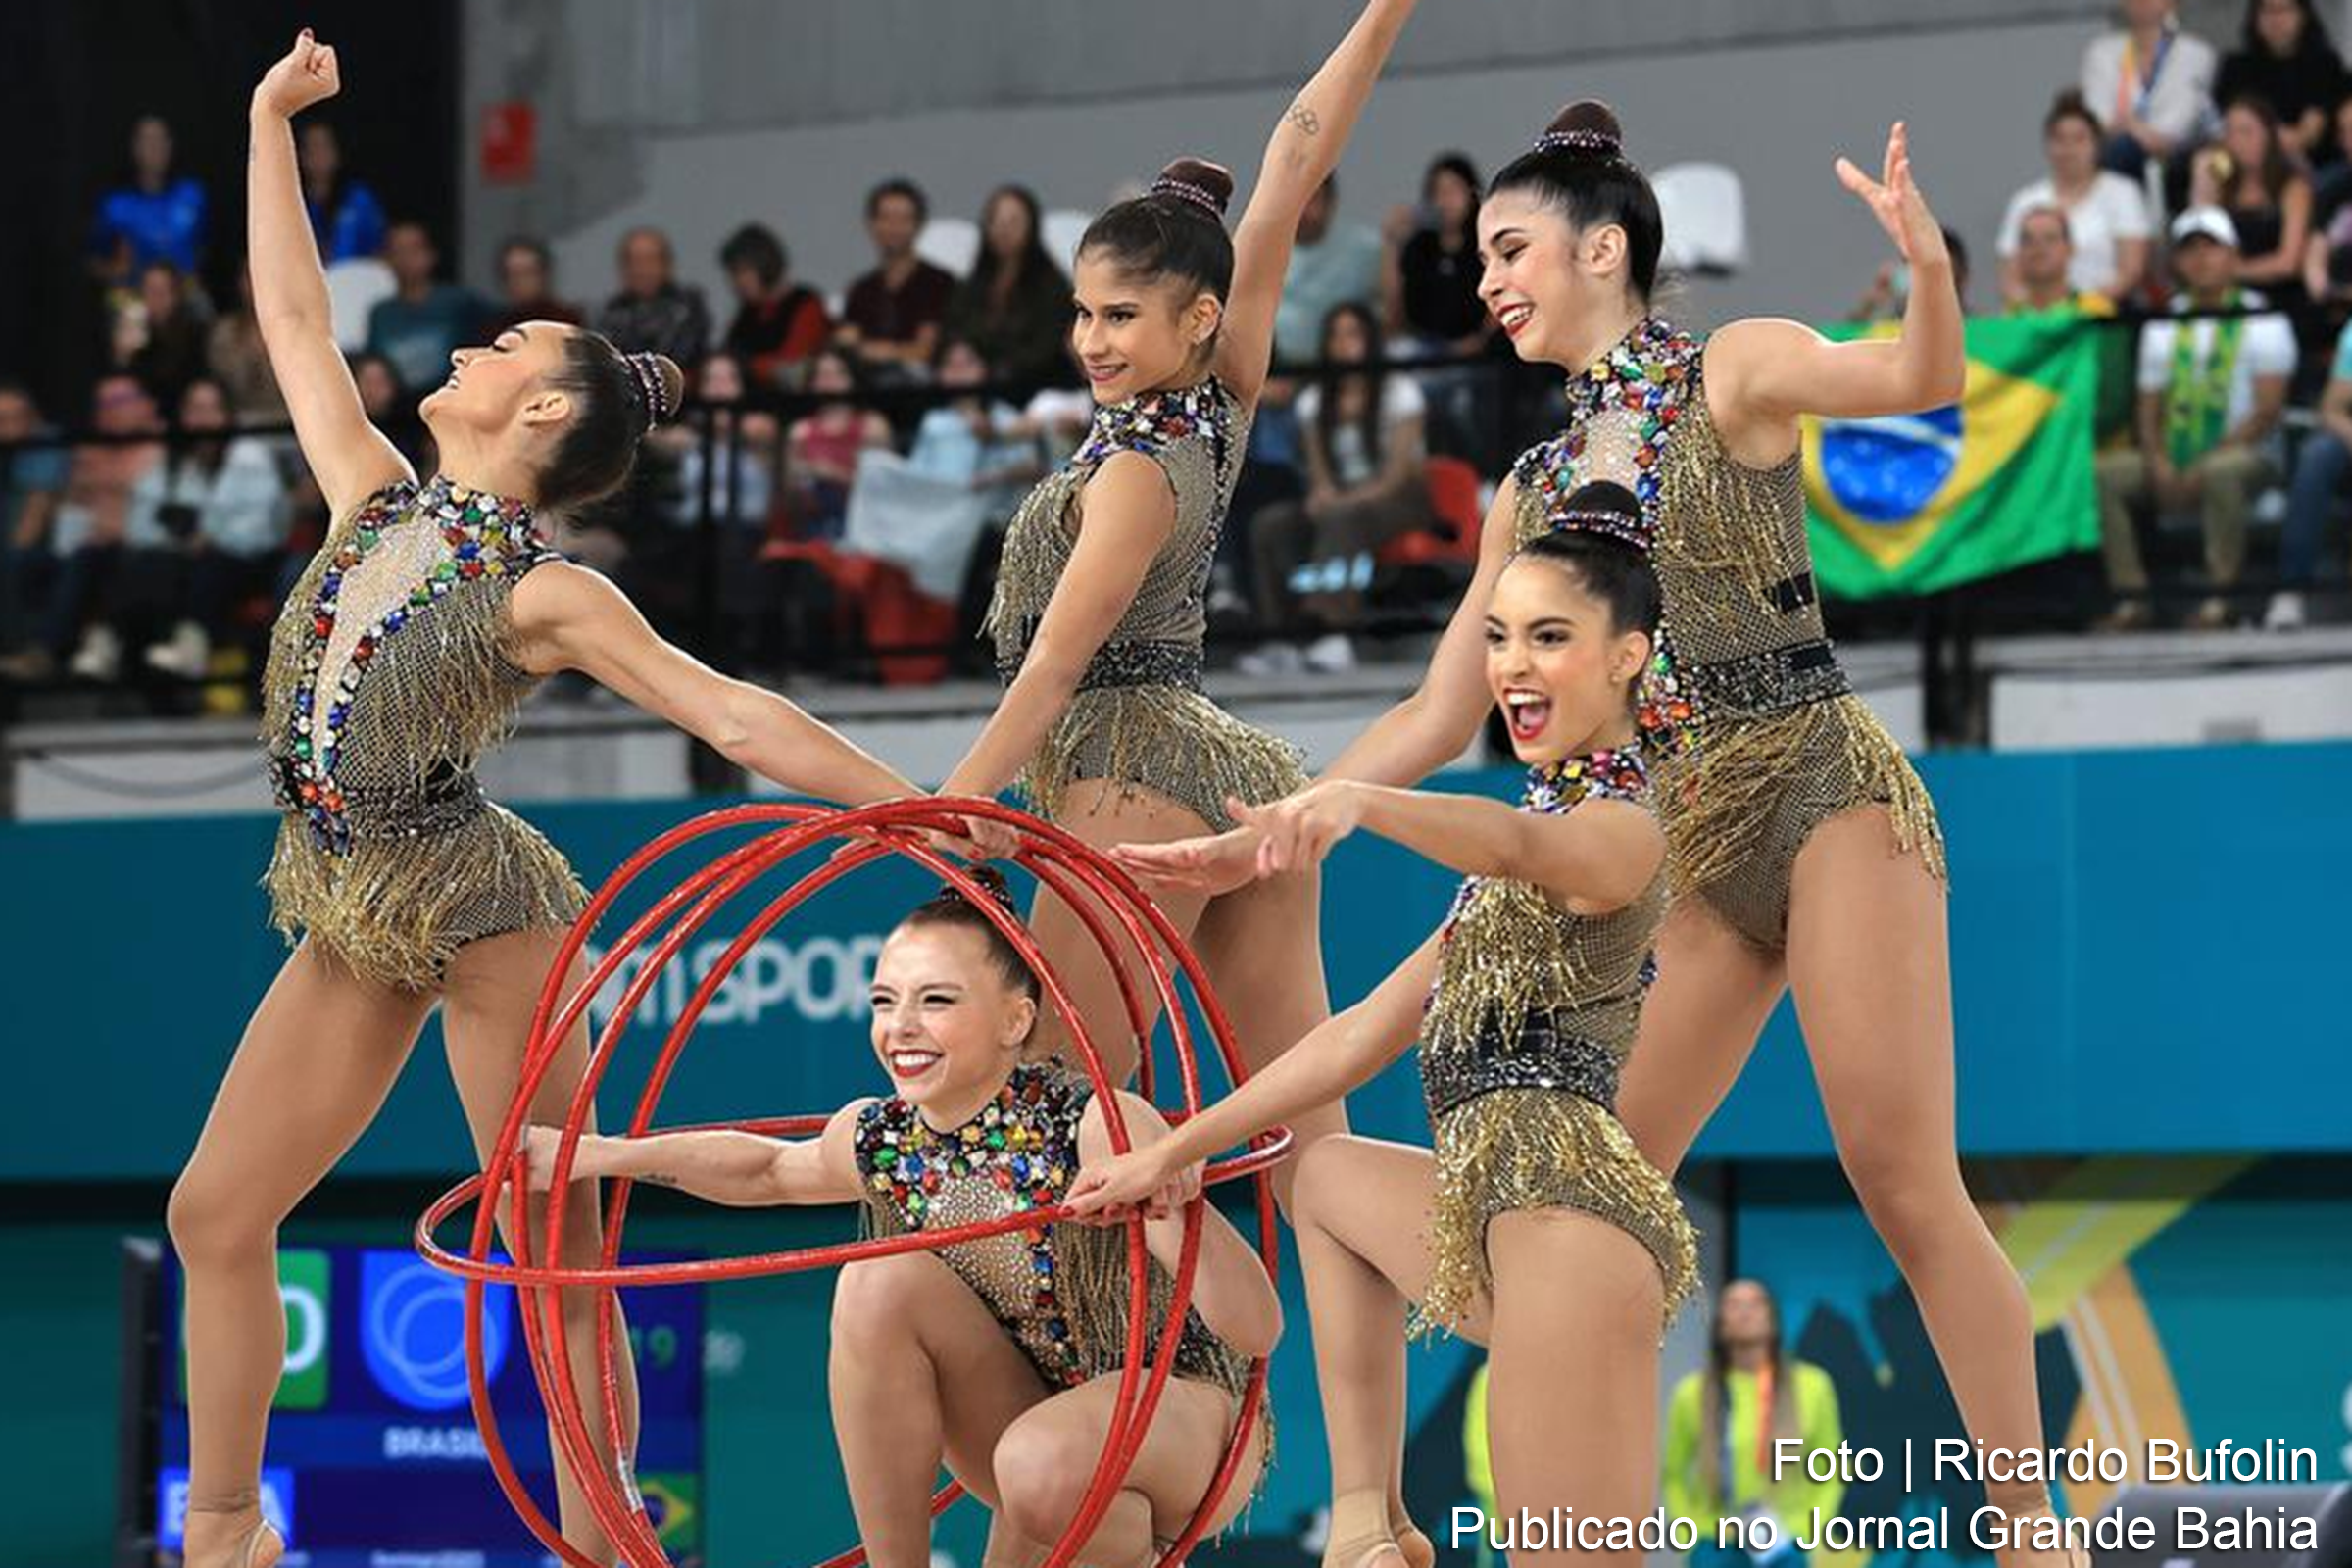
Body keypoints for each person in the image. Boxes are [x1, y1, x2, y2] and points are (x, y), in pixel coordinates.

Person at [1124, 104, 2086, 1568]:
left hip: (1822, 790)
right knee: (1577, 1192)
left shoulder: (1731, 371)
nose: (1489, 279)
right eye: (1479, 260)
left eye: (1510, 249)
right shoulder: (1527, 493)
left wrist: (1930, 268)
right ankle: (1506, 1524)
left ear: (1604, 246)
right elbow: (1443, 713)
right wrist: (1279, 827)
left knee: (1898, 1175)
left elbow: (1921, 375)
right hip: (1677, 846)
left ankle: (2037, 1536)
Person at [164, 35, 931, 1568]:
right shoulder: (369, 490)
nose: (472, 346)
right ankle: (234, 1530)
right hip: (354, 901)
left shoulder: (541, 588)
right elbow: (292, 311)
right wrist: (263, 126)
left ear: (539, 421)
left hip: (481, 906)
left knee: (552, 1227)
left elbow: (728, 711)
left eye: (507, 342)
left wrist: (915, 810)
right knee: (210, 1216)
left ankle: (607, 1540)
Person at [1074, 492, 1694, 1568]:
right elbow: (1354, 1037)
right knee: (1325, 1176)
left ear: (1630, 655)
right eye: (1498, 637)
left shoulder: (1623, 827)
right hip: (1495, 1216)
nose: (1513, 666)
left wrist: (1358, 798)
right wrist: (1177, 1150)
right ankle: (1368, 1520)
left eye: (1551, 637)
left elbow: (1507, 840)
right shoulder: (1527, 855)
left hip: (1573, 1228)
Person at [943, 1, 1422, 1226]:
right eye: (1084, 313)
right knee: (1318, 1153)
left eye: (1118, 318)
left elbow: (1053, 666)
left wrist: (962, 805)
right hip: (1213, 774)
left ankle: (1157, 1382)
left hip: (1128, 772)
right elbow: (1293, 158)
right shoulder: (1223, 390)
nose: (1090, 342)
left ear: (1191, 319)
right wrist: (1384, 15)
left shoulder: (1136, 472)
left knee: (1051, 1115)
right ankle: (1369, 1400)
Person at [522, 872, 1280, 1568]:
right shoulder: (884, 1137)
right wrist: (597, 1156)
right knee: (875, 1282)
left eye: (937, 1000)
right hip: (1034, 1426)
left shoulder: (1095, 1123)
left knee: (1040, 1468)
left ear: (1017, 1019)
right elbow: (764, 1169)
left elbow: (1257, 1329)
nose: (902, 1027)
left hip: (1184, 1416)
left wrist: (1178, 1207)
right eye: (885, 1001)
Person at [2095, 206, 2294, 630]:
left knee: (2222, 472)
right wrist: (2158, 460)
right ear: (2177, 263)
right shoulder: (2164, 321)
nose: (2201, 258)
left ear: (2234, 256)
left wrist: (2203, 463)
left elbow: (2267, 411)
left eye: (2212, 247)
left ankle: (2218, 603)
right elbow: (2147, 407)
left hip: (2250, 454)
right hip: (2175, 454)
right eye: (2190, 249)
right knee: (2105, 474)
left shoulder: (2264, 317)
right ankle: (2132, 601)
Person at [1245, 301, 1429, 672]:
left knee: (1343, 515)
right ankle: (1280, 636)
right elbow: (1320, 472)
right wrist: (1323, 494)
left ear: (1370, 341)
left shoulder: (1400, 392)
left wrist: (1341, 501)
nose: (1344, 344)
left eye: (1353, 334)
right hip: (1344, 501)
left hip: (1400, 500)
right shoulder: (1314, 402)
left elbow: (1398, 475)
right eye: (1336, 336)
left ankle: (1331, 630)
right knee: (1272, 523)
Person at [1662, 1280, 1847, 1566]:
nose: (1745, 1312)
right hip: (1715, 1542)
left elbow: (1833, 1469)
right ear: (1720, 1323)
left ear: (1773, 1319)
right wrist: (1693, 1530)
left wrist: (1808, 1528)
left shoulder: (1812, 1386)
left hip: (1785, 1542)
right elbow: (1672, 1474)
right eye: (1733, 1304)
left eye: (1755, 1303)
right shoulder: (1693, 1393)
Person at [123, 377, 292, 679]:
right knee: (147, 565)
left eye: (210, 409)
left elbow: (263, 530)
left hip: (251, 562)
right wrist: (181, 540)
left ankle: (190, 650)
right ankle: (125, 652)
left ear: (227, 415)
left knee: (209, 565)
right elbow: (139, 526)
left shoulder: (251, 458)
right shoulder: (172, 464)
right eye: (194, 409)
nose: (202, 419)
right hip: (182, 559)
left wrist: (211, 537)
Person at [1996, 92, 2152, 306]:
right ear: (2047, 145)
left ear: (2097, 144)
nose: (2068, 149)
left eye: (2079, 139)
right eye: (2059, 139)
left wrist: (2080, 308)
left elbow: (2131, 270)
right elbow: (2009, 278)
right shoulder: (2024, 200)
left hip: (2103, 318)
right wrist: (2039, 316)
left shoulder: (2123, 193)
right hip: (2035, 323)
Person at [944, 185, 1078, 390]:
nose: (1003, 229)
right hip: (973, 388)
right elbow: (955, 331)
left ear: (1031, 227)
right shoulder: (971, 286)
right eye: (995, 221)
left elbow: (1045, 351)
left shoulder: (1052, 288)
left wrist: (994, 368)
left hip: (1033, 389)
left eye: (1013, 221)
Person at [2188, 95, 2314, 304]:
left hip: (2279, 300)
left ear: (2269, 136)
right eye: (2229, 132)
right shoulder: (2222, 187)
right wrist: (2204, 180)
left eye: (2246, 132)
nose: (2237, 141)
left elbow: (2289, 262)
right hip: (2230, 300)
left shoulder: (2292, 187)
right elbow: (2198, 243)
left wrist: (2230, 272)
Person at [2082, 0, 2220, 179]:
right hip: (2114, 156)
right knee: (2118, 150)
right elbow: (2096, 120)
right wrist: (2139, 133)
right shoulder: (2101, 51)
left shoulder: (2196, 53)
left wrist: (2129, 125)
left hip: (2177, 163)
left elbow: (2177, 127)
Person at [839, 177, 958, 380]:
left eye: (904, 219)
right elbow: (845, 344)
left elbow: (925, 351)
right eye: (885, 218)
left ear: (919, 225)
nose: (894, 227)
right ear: (871, 224)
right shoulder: (861, 289)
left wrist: (880, 351)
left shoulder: (939, 282)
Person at [2214, 0, 2348, 167]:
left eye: (2284, 10)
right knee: (2210, 165)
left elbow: (2309, 134)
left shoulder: (2325, 65)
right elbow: (2224, 120)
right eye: (2267, 10)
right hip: (2242, 159)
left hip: (2311, 163)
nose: (2275, 19)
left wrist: (2277, 140)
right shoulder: (2234, 66)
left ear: (2303, 16)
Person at [1274, 175, 1386, 367]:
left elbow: (1386, 308)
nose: (1304, 209)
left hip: (1343, 367)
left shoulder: (1364, 247)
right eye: (1297, 199)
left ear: (1330, 203)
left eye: (1313, 199)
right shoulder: (1265, 249)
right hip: (1276, 369)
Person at [784, 348, 893, 541]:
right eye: (822, 375)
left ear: (852, 379)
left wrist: (831, 473)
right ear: (812, 383)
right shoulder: (800, 430)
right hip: (813, 529)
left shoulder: (873, 426)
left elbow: (882, 492)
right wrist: (795, 482)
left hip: (862, 530)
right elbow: (789, 501)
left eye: (838, 374)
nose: (829, 382)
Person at [0, 383, 72, 674]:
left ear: (32, 418)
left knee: (10, 562)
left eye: (15, 417)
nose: (7, 426)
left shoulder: (45, 445)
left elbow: (32, 525)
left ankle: (22, 654)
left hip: (44, 550)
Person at [365, 220, 484, 392]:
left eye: (413, 250)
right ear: (386, 258)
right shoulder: (381, 313)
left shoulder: (459, 302)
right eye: (397, 251)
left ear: (431, 254)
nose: (405, 258)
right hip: (398, 411)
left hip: (451, 399)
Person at [89, 114, 208, 283]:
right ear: (135, 147)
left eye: (160, 141)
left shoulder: (192, 196)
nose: (154, 148)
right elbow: (96, 260)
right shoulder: (116, 205)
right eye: (148, 141)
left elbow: (204, 249)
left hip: (184, 292)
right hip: (133, 295)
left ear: (170, 145)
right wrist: (119, 271)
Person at [719, 222, 832, 388]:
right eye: (733, 274)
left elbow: (794, 370)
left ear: (765, 265)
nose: (737, 282)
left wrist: (748, 365)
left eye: (743, 272)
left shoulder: (805, 303)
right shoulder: (746, 312)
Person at [594, 226, 711, 368]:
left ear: (667, 265)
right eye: (633, 261)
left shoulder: (688, 306)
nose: (641, 269)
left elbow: (678, 359)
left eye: (649, 259)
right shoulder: (611, 312)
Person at [296, 121, 387, 263]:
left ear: (337, 151)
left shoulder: (360, 199)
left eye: (324, 147)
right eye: (312, 148)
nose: (319, 156)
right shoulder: (292, 202)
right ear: (300, 155)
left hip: (356, 279)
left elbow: (379, 247)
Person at [482, 235, 584, 337]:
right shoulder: (497, 327)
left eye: (527, 273)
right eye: (513, 274)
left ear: (544, 275)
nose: (520, 281)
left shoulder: (566, 321)